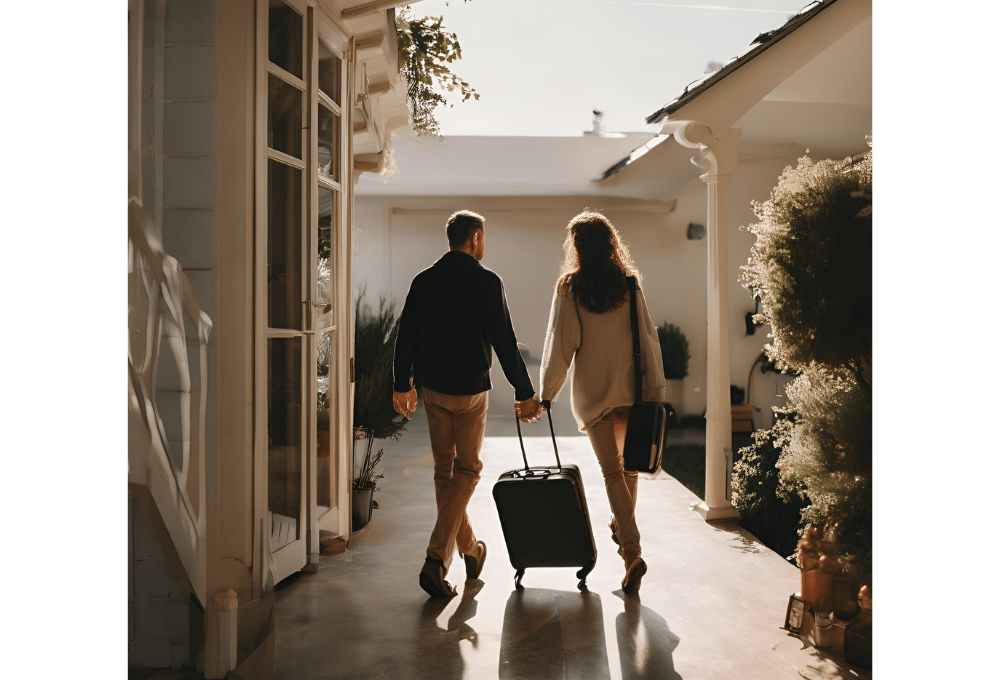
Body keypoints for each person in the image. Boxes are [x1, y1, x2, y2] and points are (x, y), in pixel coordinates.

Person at [392, 210, 543, 599]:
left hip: (436, 393)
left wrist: (401, 384)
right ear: (475, 239)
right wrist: (525, 393)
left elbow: (405, 335)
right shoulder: (487, 282)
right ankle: (435, 559)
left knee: (446, 475)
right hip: (472, 393)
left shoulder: (423, 281)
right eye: (483, 238)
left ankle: (472, 551)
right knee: (469, 470)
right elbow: (505, 342)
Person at [538, 211, 665, 595]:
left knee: (613, 473)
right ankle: (623, 532)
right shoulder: (629, 283)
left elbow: (562, 344)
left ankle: (632, 553)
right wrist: (655, 390)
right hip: (632, 391)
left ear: (577, 247)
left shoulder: (570, 287)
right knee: (628, 473)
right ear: (611, 243)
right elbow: (647, 337)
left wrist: (546, 394)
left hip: (595, 395)